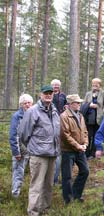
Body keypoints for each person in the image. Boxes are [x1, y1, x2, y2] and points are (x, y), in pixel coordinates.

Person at [19, 85, 60, 216]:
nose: (48, 95)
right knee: (37, 185)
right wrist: (33, 148)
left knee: (48, 185)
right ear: (40, 95)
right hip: (38, 155)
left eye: (50, 93)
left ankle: (45, 209)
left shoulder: (54, 110)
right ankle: (33, 212)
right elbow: (23, 134)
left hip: (52, 154)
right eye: (46, 93)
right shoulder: (33, 111)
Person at [60, 94, 89, 204]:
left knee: (85, 171)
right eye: (77, 102)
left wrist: (85, 144)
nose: (79, 104)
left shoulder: (80, 115)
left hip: (80, 150)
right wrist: (78, 146)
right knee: (67, 176)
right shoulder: (64, 116)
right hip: (68, 151)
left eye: (79, 102)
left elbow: (85, 131)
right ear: (71, 104)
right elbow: (65, 135)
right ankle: (68, 200)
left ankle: (76, 195)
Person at [9, 94, 33, 198]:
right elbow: (13, 135)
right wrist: (16, 152)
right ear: (21, 104)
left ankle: (32, 196)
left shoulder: (34, 114)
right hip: (21, 150)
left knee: (34, 174)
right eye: (25, 103)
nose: (27, 105)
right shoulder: (17, 116)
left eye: (29, 103)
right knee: (18, 173)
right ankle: (15, 195)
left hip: (33, 150)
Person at [82, 78, 104, 159]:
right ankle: (86, 153)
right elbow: (83, 104)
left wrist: (102, 111)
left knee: (97, 136)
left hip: (98, 118)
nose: (94, 86)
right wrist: (89, 105)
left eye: (96, 85)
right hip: (89, 118)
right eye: (93, 85)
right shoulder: (88, 94)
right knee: (88, 136)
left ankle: (94, 153)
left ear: (100, 85)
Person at [51, 79, 67, 185]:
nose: (56, 87)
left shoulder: (63, 95)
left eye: (58, 85)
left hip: (61, 119)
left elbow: (66, 105)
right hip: (51, 119)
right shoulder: (49, 94)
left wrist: (66, 107)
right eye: (54, 85)